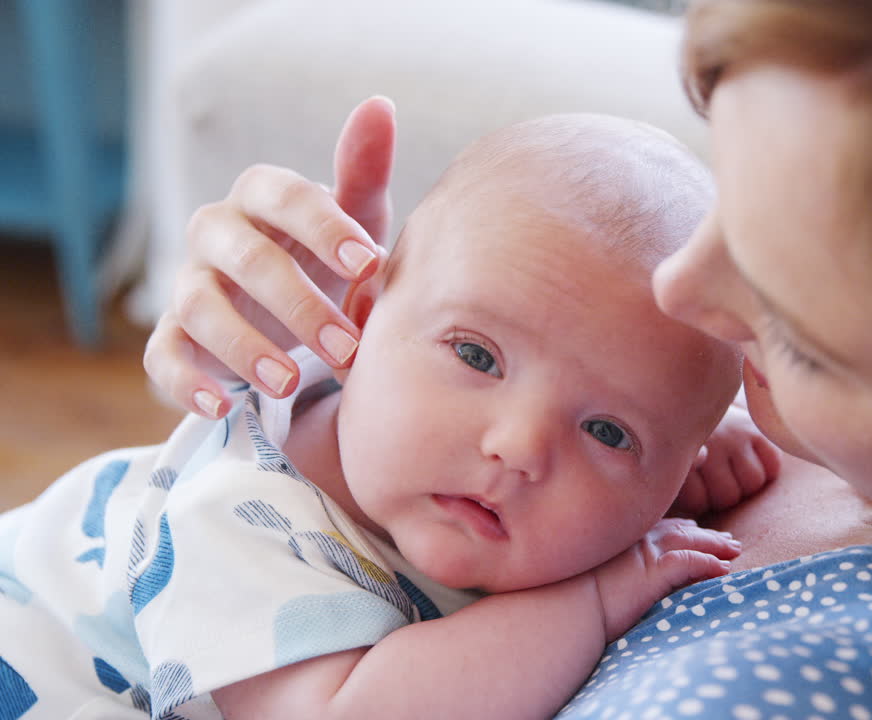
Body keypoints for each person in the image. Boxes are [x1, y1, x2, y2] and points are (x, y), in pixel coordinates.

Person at [142, 0, 872, 718]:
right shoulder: (247, 499)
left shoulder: (776, 684)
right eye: (732, 197)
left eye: (793, 325)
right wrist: (301, 362)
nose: (681, 298)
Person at [0, 113, 793, 719]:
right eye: (477, 357)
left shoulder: (416, 444)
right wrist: (589, 603)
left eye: (608, 432)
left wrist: (689, 437)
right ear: (366, 316)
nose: (517, 446)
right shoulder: (241, 520)